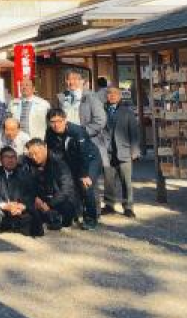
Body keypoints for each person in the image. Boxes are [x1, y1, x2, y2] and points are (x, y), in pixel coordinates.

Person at [45, 107, 102, 230]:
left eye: (59, 121)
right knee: (70, 185)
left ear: (65, 120)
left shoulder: (77, 131)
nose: (56, 125)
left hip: (90, 159)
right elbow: (49, 151)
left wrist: (85, 174)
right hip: (70, 159)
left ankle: (91, 218)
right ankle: (74, 214)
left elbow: (84, 154)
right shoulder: (49, 132)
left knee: (85, 185)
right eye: (53, 121)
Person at [102, 87, 141, 218]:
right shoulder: (101, 111)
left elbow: (134, 133)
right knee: (108, 181)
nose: (112, 96)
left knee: (126, 181)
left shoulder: (127, 112)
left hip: (124, 151)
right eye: (109, 94)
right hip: (106, 152)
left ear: (120, 96)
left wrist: (134, 151)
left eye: (115, 94)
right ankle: (109, 205)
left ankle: (128, 207)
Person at [0, 146, 43, 237]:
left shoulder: (26, 175)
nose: (10, 160)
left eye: (13, 157)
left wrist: (21, 206)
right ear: (0, 160)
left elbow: (31, 195)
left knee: (32, 214)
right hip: (2, 208)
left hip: (19, 210)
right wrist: (6, 206)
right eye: (7, 157)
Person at [24, 139, 78, 230]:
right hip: (40, 200)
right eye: (30, 154)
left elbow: (66, 189)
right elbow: (25, 185)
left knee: (67, 207)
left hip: (57, 200)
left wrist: (49, 204)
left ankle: (54, 218)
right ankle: (50, 218)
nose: (33, 157)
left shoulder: (59, 163)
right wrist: (35, 198)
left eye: (36, 153)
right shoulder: (28, 164)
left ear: (45, 148)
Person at [57, 70, 108, 164]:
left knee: (86, 175)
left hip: (87, 141)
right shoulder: (62, 98)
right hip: (66, 142)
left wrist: (83, 132)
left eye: (75, 79)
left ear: (82, 81)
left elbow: (100, 120)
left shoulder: (92, 97)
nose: (71, 82)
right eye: (68, 79)